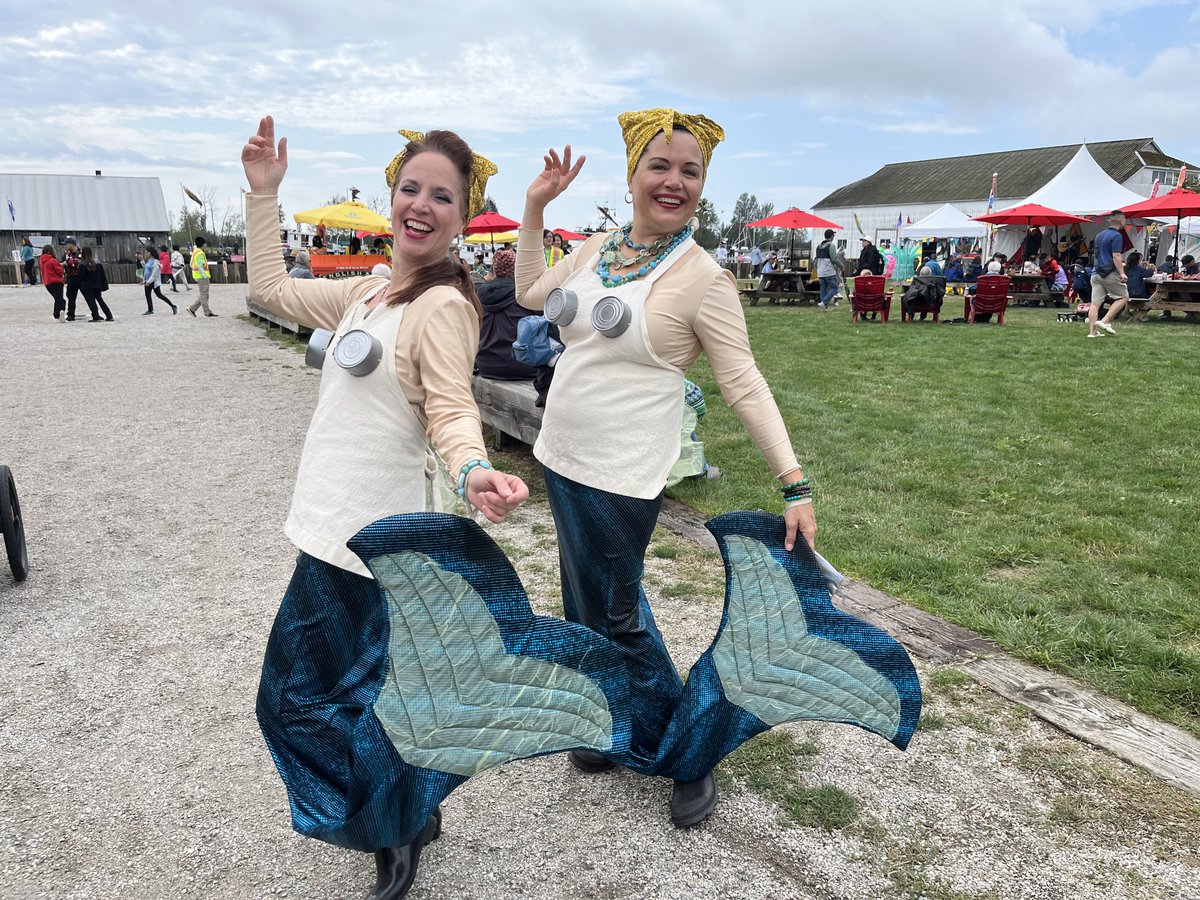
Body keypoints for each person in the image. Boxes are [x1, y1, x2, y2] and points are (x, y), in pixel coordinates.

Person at [242, 116, 529, 900]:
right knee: (360, 695)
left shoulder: (443, 306)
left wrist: (473, 467)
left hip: (371, 540)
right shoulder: (371, 288)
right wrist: (264, 195)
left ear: (462, 217)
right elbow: (270, 291)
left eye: (442, 196)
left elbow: (451, 406)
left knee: (295, 701)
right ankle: (405, 812)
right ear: (391, 195)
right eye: (411, 188)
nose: (421, 205)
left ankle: (394, 820)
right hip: (332, 528)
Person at [514, 108, 819, 831]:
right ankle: (613, 723)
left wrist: (794, 482)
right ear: (632, 176)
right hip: (562, 455)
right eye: (660, 165)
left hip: (624, 471)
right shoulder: (598, 249)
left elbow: (743, 381)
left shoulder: (703, 279)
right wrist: (534, 208)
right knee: (583, 604)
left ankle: (690, 751)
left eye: (690, 171)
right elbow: (529, 293)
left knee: (618, 616)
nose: (674, 181)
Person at [475, 248, 539, 381]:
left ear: (494, 269)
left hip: (487, 365)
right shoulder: (525, 295)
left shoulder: (479, 295)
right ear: (517, 269)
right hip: (523, 365)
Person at [1088, 209, 1130, 338]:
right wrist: (1122, 272)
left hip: (1095, 273)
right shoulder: (1117, 236)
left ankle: (1093, 332)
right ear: (1122, 221)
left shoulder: (1099, 235)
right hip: (1109, 273)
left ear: (1109, 221)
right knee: (1123, 297)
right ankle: (1105, 321)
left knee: (1095, 304)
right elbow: (1116, 255)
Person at [76, 247, 114, 321]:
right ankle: (109, 315)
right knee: (100, 300)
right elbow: (102, 274)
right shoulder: (97, 262)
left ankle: (95, 316)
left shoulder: (82, 264)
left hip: (87, 286)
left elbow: (80, 276)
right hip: (97, 285)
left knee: (91, 302)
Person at [140, 247, 178, 314]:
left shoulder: (156, 262)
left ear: (150, 253)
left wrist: (149, 282)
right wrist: (142, 261)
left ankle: (173, 306)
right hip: (147, 281)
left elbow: (154, 274)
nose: (145, 253)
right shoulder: (149, 261)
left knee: (159, 295)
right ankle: (150, 310)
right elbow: (146, 268)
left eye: (146, 252)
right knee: (148, 295)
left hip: (153, 282)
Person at [814, 228, 843, 310]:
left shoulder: (819, 246)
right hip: (828, 271)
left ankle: (824, 307)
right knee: (835, 287)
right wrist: (841, 265)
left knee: (823, 288)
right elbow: (834, 259)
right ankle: (824, 302)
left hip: (820, 270)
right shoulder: (831, 246)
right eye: (833, 235)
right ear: (832, 236)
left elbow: (816, 259)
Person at [187, 237, 215, 317]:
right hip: (202, 277)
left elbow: (191, 264)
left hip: (197, 275)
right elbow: (199, 266)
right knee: (204, 295)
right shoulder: (200, 253)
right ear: (203, 244)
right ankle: (207, 312)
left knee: (203, 294)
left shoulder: (195, 252)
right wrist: (205, 275)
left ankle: (192, 309)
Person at [39, 245, 65, 319]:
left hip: (47, 283)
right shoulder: (53, 260)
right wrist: (62, 267)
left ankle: (61, 311)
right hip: (56, 282)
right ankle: (57, 314)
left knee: (58, 299)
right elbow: (59, 271)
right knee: (59, 299)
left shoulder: (41, 261)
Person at [62, 237, 82, 321]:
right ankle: (71, 315)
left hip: (81, 278)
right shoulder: (66, 254)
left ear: (72, 244)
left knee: (89, 296)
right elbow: (62, 264)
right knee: (71, 297)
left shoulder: (81, 253)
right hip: (71, 277)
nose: (65, 246)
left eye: (66, 244)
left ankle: (95, 313)